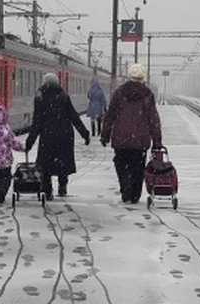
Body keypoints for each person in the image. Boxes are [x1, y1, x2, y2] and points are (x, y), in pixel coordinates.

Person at [101, 64, 163, 204]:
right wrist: (157, 141)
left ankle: (125, 187)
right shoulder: (147, 95)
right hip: (140, 140)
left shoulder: (119, 93)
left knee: (121, 164)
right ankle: (135, 194)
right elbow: (153, 119)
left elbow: (110, 116)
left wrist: (105, 135)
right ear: (143, 78)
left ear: (129, 77)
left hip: (120, 138)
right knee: (138, 167)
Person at [25, 73, 90, 200]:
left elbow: (36, 122)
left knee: (45, 164)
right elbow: (73, 116)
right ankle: (62, 187)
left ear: (44, 83)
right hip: (64, 134)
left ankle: (47, 190)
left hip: (47, 134)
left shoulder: (40, 97)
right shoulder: (63, 96)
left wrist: (29, 142)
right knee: (63, 161)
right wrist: (84, 134)